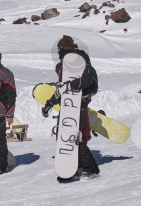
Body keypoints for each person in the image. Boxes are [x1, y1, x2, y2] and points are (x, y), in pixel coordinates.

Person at [41, 35, 100, 178]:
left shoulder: (82, 62)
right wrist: (50, 103)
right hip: (67, 106)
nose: (57, 52)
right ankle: (71, 166)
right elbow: (62, 90)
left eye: (58, 49)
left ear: (62, 49)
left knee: (73, 136)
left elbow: (89, 82)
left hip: (78, 105)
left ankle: (91, 169)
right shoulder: (63, 66)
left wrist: (70, 86)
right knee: (64, 137)